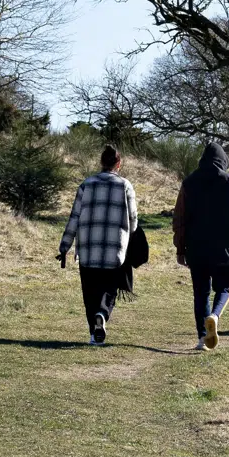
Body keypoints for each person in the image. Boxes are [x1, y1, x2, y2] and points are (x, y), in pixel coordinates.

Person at [58, 144, 139, 345]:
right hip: (114, 249)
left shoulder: (86, 184)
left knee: (90, 291)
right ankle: (102, 314)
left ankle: (94, 334)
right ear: (118, 164)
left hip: (87, 248)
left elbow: (74, 217)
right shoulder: (125, 185)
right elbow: (134, 219)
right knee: (109, 288)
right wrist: (131, 234)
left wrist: (65, 245)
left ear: (101, 162)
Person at [172, 142, 229, 351]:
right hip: (222, 249)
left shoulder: (188, 183)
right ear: (223, 160)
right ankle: (214, 316)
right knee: (225, 287)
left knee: (201, 293)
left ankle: (202, 338)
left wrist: (180, 248)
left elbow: (179, 217)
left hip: (195, 249)